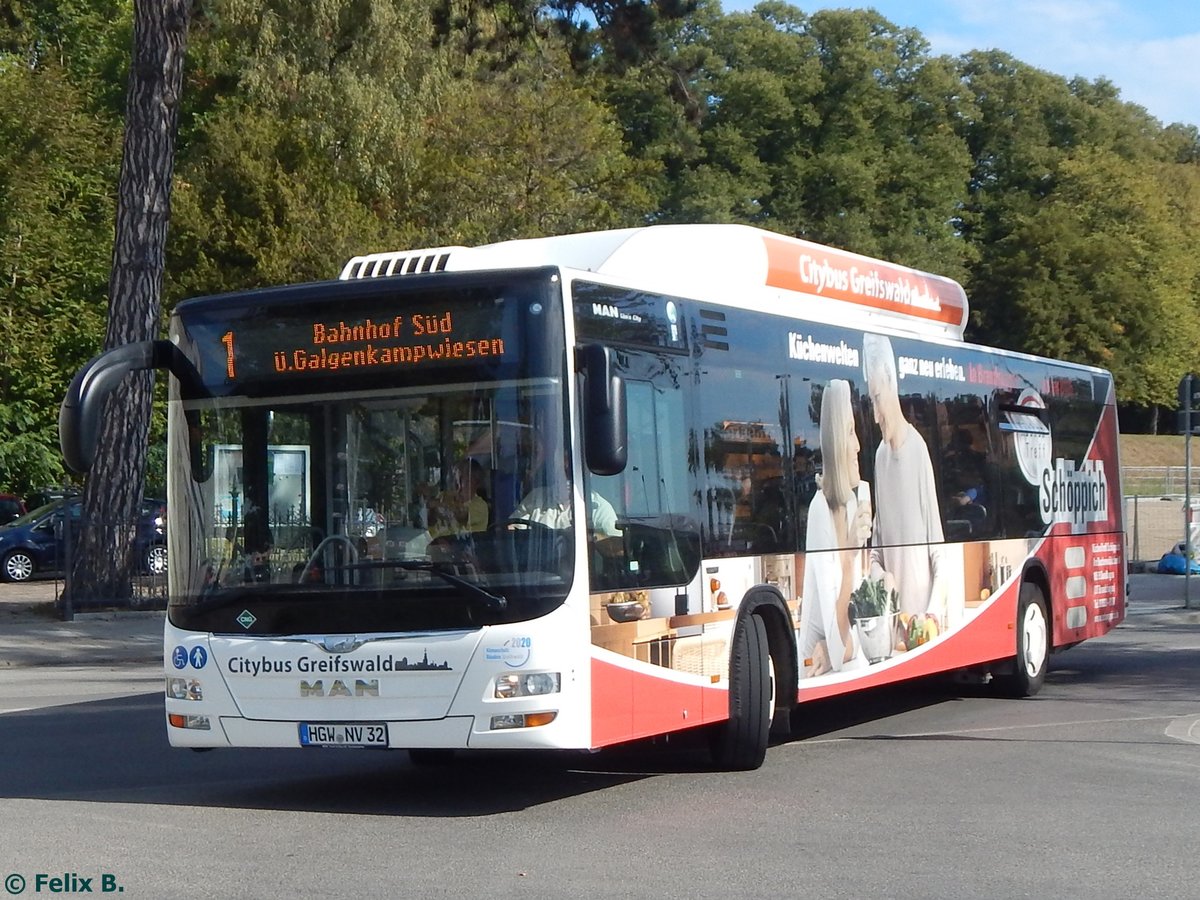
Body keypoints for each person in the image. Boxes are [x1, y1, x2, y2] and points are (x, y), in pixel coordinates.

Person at [862, 333, 946, 623]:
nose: (875, 416)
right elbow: (877, 551)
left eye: (877, 399)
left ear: (890, 382)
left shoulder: (918, 450)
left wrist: (931, 614)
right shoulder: (879, 456)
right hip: (893, 623)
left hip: (922, 625)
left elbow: (938, 549)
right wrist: (882, 578)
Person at [798, 379, 870, 676]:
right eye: (850, 432)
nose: (857, 446)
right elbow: (840, 647)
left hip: (851, 670)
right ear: (834, 440)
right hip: (818, 677)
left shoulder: (851, 505)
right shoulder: (820, 510)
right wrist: (852, 556)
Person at [509, 434, 621, 538]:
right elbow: (511, 532)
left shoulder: (599, 509)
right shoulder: (535, 499)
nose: (569, 475)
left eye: (574, 470)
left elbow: (616, 547)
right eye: (565, 467)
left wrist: (591, 539)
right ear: (556, 465)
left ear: (589, 473)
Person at [428, 458, 490, 538]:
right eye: (456, 479)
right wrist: (430, 506)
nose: (457, 485)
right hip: (435, 545)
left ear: (476, 483)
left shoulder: (480, 506)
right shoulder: (443, 496)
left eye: (463, 480)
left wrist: (439, 504)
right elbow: (430, 522)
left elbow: (461, 516)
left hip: (463, 548)